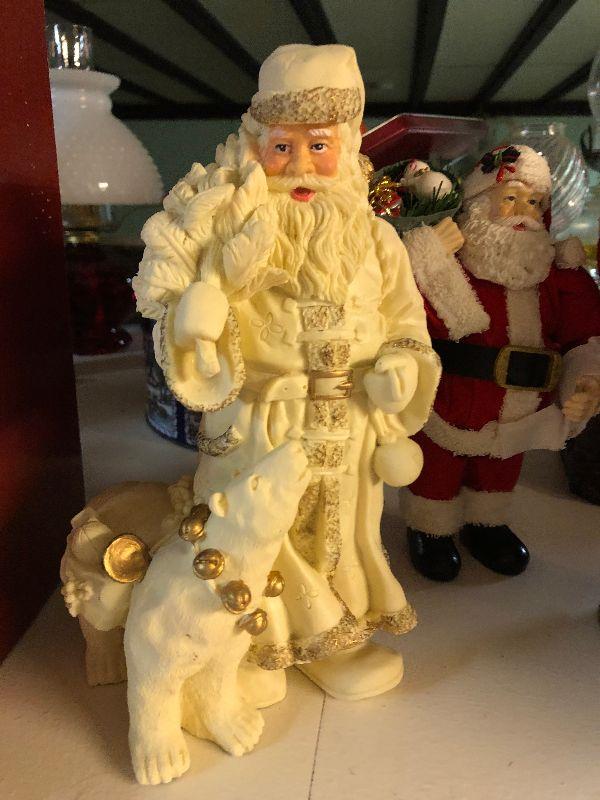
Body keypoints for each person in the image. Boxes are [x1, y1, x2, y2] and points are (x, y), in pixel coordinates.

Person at [133, 44, 440, 701]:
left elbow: (407, 325)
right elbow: (187, 335)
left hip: (350, 426)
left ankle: (330, 643)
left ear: (350, 146)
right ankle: (242, 650)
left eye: (319, 146)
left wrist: (400, 367)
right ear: (256, 147)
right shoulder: (230, 232)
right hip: (259, 426)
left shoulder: (378, 242)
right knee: (255, 533)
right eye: (283, 147)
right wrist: (198, 322)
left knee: (340, 535)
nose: (301, 165)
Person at [403, 144, 600, 582]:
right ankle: (430, 528)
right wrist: (424, 256)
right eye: (510, 198)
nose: (523, 213)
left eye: (535, 202)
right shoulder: (448, 266)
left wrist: (585, 380)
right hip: (447, 403)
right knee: (436, 471)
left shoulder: (557, 274)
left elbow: (584, 335)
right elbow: (401, 307)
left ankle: (486, 525)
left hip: (518, 413)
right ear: (477, 204)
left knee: (498, 471)